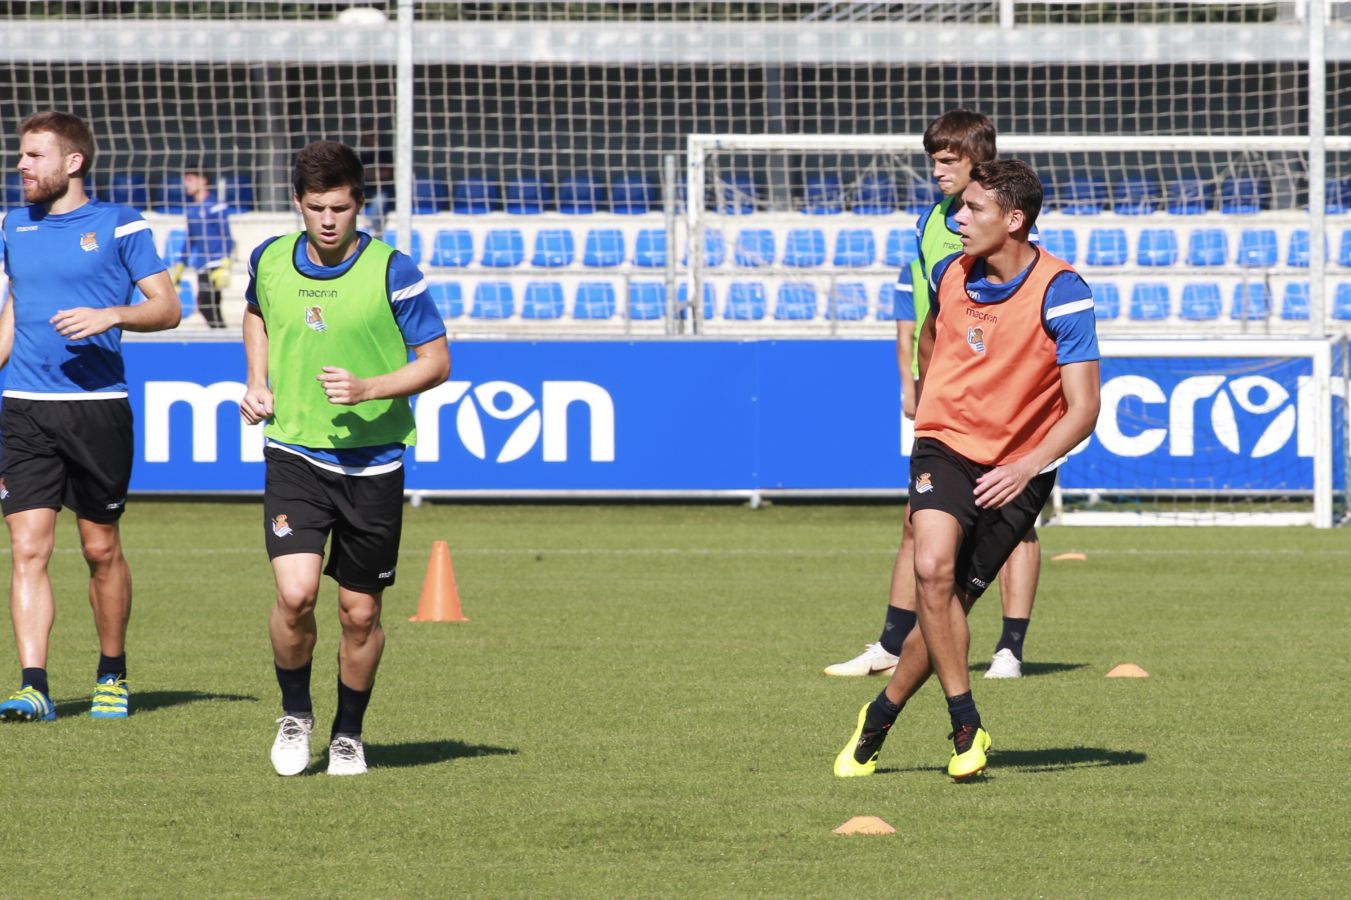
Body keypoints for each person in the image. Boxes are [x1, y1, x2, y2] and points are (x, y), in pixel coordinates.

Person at [833, 159, 1100, 781]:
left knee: (949, 606)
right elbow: (930, 339)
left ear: (1015, 219)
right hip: (945, 445)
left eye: (973, 209)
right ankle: (965, 718)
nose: (957, 219)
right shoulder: (952, 272)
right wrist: (931, 407)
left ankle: (879, 714)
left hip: (1020, 467)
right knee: (930, 569)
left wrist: (1027, 464)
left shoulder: (1064, 290)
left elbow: (1084, 409)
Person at [239, 140, 449, 777]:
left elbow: (436, 362)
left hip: (373, 465)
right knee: (296, 593)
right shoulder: (271, 258)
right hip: (295, 453)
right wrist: (257, 380)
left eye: (340, 207)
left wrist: (369, 389)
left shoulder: (394, 270)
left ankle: (349, 734)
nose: (328, 220)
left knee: (360, 614)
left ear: (360, 204)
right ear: (297, 205)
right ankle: (295, 713)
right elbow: (256, 313)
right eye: (315, 208)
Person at [825, 109, 1042, 681]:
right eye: (934, 161)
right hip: (946, 384)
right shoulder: (932, 220)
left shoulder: (999, 222)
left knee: (1015, 521)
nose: (938, 172)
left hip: (993, 391)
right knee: (918, 521)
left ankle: (1009, 649)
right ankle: (893, 644)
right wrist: (918, 382)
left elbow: (1016, 302)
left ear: (979, 164)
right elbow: (924, 308)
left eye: (949, 161)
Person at [0, 111, 181, 722]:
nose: (20, 165)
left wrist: (111, 315)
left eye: (33, 156)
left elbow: (167, 308)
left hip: (96, 410)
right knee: (27, 548)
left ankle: (112, 671)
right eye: (20, 155)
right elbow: (14, 308)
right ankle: (33, 684)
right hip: (24, 408)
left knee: (100, 549)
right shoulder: (12, 224)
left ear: (72, 162)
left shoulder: (120, 224)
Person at [169, 168, 234, 329]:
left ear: (203, 180)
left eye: (190, 179)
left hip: (215, 264)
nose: (186, 184)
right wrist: (181, 265)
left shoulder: (216, 206)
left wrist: (225, 262)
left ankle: (222, 337)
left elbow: (226, 235)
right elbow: (190, 239)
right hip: (201, 264)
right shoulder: (192, 210)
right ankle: (221, 336)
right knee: (209, 306)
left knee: (206, 304)